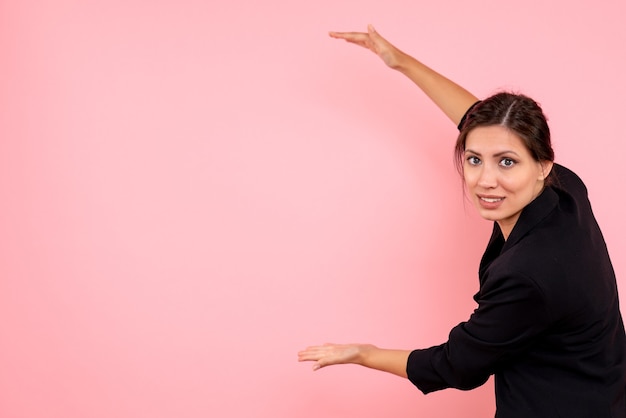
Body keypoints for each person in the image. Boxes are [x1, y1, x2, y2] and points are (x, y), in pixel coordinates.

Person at [298, 25, 626, 417]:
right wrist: (400, 61)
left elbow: (456, 365)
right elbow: (482, 127)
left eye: (507, 162)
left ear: (541, 165)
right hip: (607, 395)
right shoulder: (565, 189)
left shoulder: (527, 274)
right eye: (474, 160)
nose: (486, 180)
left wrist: (364, 354)